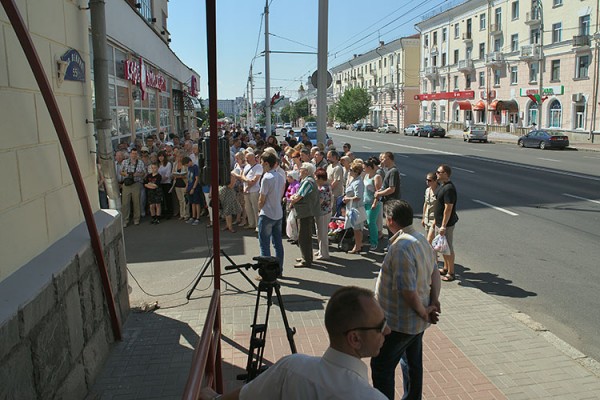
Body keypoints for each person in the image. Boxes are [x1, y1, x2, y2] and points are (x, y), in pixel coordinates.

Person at [200, 286, 390, 400]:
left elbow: (247, 395)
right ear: (354, 339)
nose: (387, 331)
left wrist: (215, 397)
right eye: (380, 326)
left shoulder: (291, 367)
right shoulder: (370, 397)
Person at [370, 200, 441, 400]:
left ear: (390, 220)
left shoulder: (401, 247)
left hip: (399, 323)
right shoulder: (421, 239)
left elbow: (407, 291)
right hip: (416, 321)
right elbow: (434, 273)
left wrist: (423, 310)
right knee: (412, 364)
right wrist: (433, 301)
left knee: (382, 367)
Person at [257, 152, 286, 270]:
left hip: (267, 213)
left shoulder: (267, 177)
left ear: (267, 163)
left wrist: (259, 209)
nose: (261, 165)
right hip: (278, 213)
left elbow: (262, 198)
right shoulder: (279, 176)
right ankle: (279, 269)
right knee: (278, 244)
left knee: (264, 244)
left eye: (262, 163)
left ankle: (267, 272)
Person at [290, 162, 319, 268]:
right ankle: (306, 256)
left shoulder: (308, 182)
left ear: (306, 171)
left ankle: (306, 260)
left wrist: (292, 200)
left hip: (305, 212)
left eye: (301, 169)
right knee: (305, 236)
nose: (299, 170)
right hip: (305, 212)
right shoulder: (308, 181)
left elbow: (299, 196)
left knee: (304, 237)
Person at [433, 164, 459, 282]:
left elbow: (448, 208)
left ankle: (451, 272)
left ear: (446, 174)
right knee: (443, 247)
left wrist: (443, 225)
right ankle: (445, 267)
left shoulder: (449, 189)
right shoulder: (442, 186)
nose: (436, 173)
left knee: (448, 247)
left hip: (446, 225)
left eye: (439, 172)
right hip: (439, 222)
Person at [374, 152, 401, 242]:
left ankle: (393, 246)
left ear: (389, 159)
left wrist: (379, 194)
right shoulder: (389, 170)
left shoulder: (393, 171)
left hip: (391, 202)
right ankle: (391, 245)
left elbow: (391, 189)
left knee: (392, 225)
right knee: (389, 225)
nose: (381, 161)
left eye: (383, 159)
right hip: (388, 201)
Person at [343, 160, 367, 254]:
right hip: (351, 207)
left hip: (356, 208)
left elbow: (358, 196)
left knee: (357, 229)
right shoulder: (354, 180)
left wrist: (348, 198)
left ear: (356, 172)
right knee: (355, 228)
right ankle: (358, 245)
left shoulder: (358, 182)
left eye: (351, 170)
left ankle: (357, 246)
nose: (350, 171)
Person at [120, 148, 146, 227]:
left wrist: (137, 174)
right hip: (127, 184)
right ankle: (125, 220)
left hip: (136, 183)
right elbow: (121, 171)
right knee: (125, 203)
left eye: (135, 154)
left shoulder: (140, 162)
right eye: (133, 153)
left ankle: (136, 219)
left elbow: (144, 173)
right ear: (130, 154)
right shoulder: (125, 162)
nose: (134, 155)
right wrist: (127, 174)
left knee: (136, 202)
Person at [363, 158, 383, 251]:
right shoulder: (366, 175)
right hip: (365, 201)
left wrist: (375, 203)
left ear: (369, 167)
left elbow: (378, 191)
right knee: (366, 222)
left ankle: (374, 242)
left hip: (373, 203)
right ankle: (370, 239)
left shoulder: (377, 177)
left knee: (371, 222)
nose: (363, 169)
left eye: (365, 167)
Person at [315, 168, 332, 260]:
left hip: (323, 213)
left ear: (321, 179)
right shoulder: (326, 186)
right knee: (319, 232)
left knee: (323, 233)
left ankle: (324, 254)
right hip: (323, 212)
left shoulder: (323, 189)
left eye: (316, 178)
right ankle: (320, 250)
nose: (315, 180)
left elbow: (320, 201)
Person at [183, 156, 202, 226]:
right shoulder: (189, 168)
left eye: (187, 164)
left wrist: (193, 188)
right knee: (192, 203)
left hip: (195, 188)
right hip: (190, 186)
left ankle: (198, 217)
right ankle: (193, 216)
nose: (186, 166)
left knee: (197, 202)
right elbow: (188, 178)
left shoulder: (195, 167)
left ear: (190, 162)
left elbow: (197, 179)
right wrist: (187, 186)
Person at [421, 172, 438, 244]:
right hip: (427, 218)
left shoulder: (439, 191)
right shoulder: (427, 190)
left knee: (431, 241)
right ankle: (432, 254)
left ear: (435, 181)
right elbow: (425, 204)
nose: (427, 182)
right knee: (429, 241)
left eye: (429, 180)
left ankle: (433, 254)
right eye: (426, 180)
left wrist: (435, 221)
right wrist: (423, 217)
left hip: (434, 219)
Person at [172, 152, 189, 221]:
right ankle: (182, 214)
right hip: (177, 184)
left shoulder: (185, 165)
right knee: (180, 200)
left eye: (181, 157)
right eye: (178, 157)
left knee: (185, 200)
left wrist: (182, 175)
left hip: (184, 183)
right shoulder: (175, 164)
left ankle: (186, 214)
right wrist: (175, 175)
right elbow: (173, 173)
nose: (179, 158)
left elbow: (188, 174)